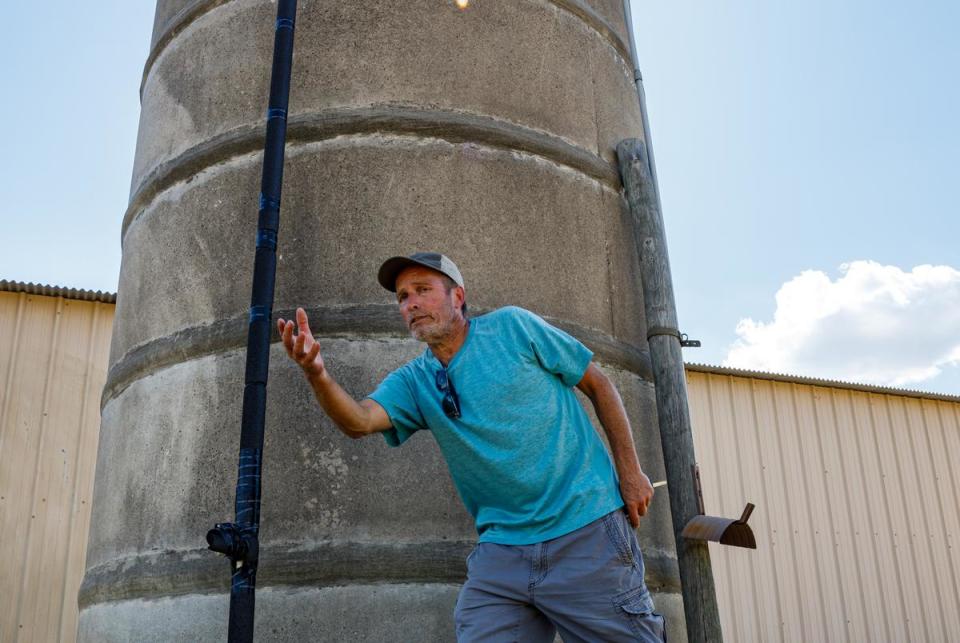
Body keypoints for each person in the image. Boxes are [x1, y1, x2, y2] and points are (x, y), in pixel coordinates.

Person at [277, 252, 665, 642]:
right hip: (502, 553)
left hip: (584, 531)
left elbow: (598, 383)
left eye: (423, 290)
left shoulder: (513, 328)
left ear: (457, 296)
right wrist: (317, 373)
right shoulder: (414, 381)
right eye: (402, 297)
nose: (411, 303)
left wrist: (630, 472)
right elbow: (358, 422)